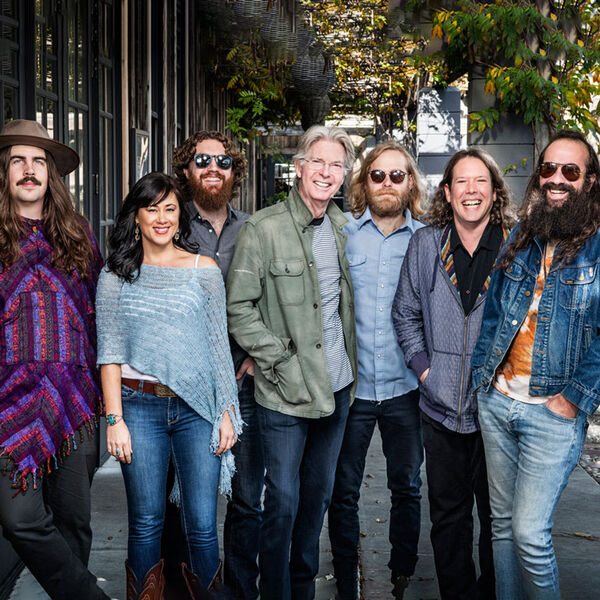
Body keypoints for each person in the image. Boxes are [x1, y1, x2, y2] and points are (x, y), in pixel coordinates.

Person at [95, 172, 241, 599]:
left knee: (201, 522)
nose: (161, 218)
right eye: (151, 208)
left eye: (170, 209)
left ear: (181, 217)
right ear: (136, 217)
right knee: (146, 521)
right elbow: (109, 355)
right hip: (138, 407)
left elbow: (217, 348)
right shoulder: (116, 275)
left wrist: (227, 412)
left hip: (198, 411)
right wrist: (114, 419)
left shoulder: (205, 270)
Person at [227, 125, 357, 600]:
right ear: (298, 168)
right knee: (281, 500)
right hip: (284, 391)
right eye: (317, 162)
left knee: (316, 500)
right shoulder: (263, 229)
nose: (326, 172)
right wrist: (276, 356)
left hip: (339, 388)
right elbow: (238, 306)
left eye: (336, 165)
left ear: (344, 176)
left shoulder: (347, 230)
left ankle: (302, 591)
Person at [471, 130, 600, 599]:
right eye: (549, 169)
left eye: (571, 171)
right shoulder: (523, 237)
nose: (557, 179)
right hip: (498, 402)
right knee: (501, 527)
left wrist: (572, 401)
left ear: (589, 181)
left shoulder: (598, 247)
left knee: (529, 534)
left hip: (553, 412)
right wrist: (480, 383)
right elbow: (492, 315)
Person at [393, 147, 515, 599]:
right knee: (448, 518)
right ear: (447, 191)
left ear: (494, 191)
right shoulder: (426, 244)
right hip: (439, 408)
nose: (471, 191)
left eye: (480, 181)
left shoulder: (515, 246)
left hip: (497, 410)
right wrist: (426, 372)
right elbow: (404, 313)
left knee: (497, 519)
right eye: (461, 182)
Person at [0, 119, 109, 600]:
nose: (29, 170)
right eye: (18, 160)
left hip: (74, 404)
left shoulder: (77, 235)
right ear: (4, 172)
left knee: (73, 524)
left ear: (51, 174)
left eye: (38, 161)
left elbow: (103, 310)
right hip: (8, 406)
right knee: (20, 519)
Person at [328, 141, 426, 600]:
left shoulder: (428, 240)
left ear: (411, 183)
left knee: (407, 487)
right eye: (377, 175)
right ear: (363, 183)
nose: (387, 183)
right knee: (341, 491)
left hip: (408, 389)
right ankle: (347, 579)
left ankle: (402, 571)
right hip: (352, 391)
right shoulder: (342, 235)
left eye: (397, 175)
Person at [172, 130, 263, 600]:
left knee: (248, 498)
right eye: (202, 159)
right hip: (182, 384)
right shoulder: (168, 223)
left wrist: (250, 357)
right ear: (186, 169)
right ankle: (183, 589)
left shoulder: (255, 228)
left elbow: (271, 301)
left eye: (223, 161)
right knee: (183, 502)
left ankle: (241, 591)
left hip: (243, 381)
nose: (213, 168)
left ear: (235, 172)